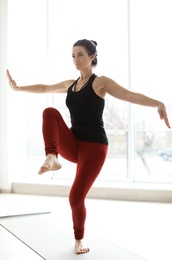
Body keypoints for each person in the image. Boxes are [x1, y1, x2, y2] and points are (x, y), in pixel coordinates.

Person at [6, 39, 171, 255]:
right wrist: (18, 88)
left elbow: (130, 95)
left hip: (94, 147)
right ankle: (52, 156)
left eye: (80, 55)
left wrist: (158, 103)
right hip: (74, 143)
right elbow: (46, 87)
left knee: (75, 197)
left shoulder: (100, 82)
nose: (76, 60)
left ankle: (79, 240)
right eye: (73, 56)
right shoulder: (70, 85)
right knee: (50, 112)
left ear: (92, 56)